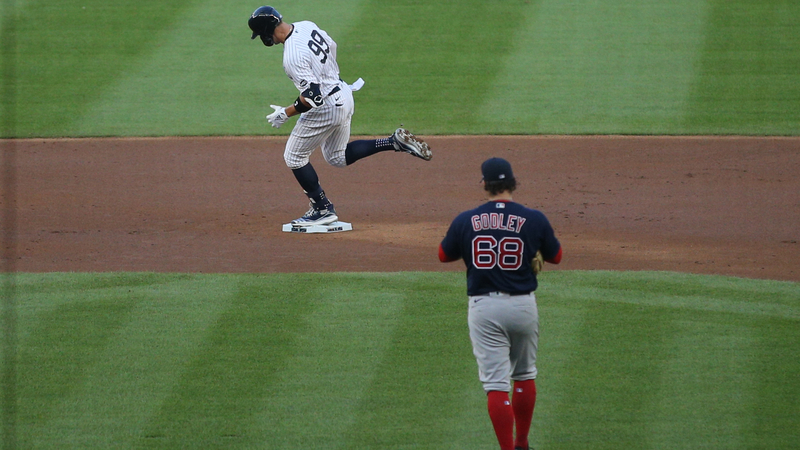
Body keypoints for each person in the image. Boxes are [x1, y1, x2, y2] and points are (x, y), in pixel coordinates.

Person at [248, 6, 432, 226]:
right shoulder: (306, 25)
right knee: (337, 157)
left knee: (294, 157)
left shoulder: (292, 56)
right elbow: (331, 46)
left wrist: (286, 113)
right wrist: (329, 76)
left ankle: (322, 208)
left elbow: (313, 98)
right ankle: (393, 142)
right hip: (343, 93)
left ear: (268, 31)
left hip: (327, 106)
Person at [438, 157, 562, 450]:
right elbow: (556, 256)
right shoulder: (534, 218)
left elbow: (444, 255)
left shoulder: (466, 219)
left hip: (484, 308)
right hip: (523, 307)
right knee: (524, 375)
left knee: (496, 385)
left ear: (484, 184)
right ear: (513, 183)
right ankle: (522, 443)